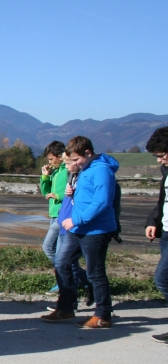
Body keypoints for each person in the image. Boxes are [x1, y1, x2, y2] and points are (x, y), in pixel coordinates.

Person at [41, 136, 118, 328]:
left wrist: (76, 219)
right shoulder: (85, 169)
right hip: (77, 228)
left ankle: (103, 315)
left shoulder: (101, 171)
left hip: (96, 230)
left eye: (76, 160)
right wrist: (72, 193)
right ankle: (66, 308)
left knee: (95, 272)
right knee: (62, 262)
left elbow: (102, 202)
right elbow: (86, 196)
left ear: (88, 154)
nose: (73, 164)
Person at [43, 152, 93, 315]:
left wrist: (72, 218)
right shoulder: (62, 173)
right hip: (60, 219)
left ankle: (95, 303)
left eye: (68, 163)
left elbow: (94, 201)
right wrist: (45, 178)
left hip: (68, 222)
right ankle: (70, 300)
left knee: (62, 260)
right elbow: (46, 191)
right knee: (63, 261)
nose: (67, 166)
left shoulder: (81, 175)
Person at [143, 126, 168, 343]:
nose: (159, 160)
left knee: (162, 279)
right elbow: (162, 201)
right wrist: (153, 221)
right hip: (166, 232)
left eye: (161, 155)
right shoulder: (166, 172)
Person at [40, 141, 68, 293]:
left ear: (60, 156)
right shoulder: (55, 172)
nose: (49, 162)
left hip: (62, 216)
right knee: (58, 252)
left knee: (48, 247)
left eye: (51, 159)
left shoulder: (67, 171)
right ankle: (65, 281)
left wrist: (58, 196)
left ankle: (73, 278)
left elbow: (75, 193)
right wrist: (45, 177)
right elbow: (45, 193)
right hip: (53, 214)